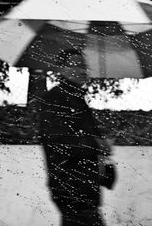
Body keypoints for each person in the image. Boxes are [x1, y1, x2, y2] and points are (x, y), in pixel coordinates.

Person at [37, 50, 113, 226]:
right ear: (61, 69)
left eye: (84, 66)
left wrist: (101, 144)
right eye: (76, 65)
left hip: (83, 188)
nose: (83, 70)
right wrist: (97, 144)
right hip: (72, 188)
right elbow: (59, 141)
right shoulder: (55, 99)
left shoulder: (78, 100)